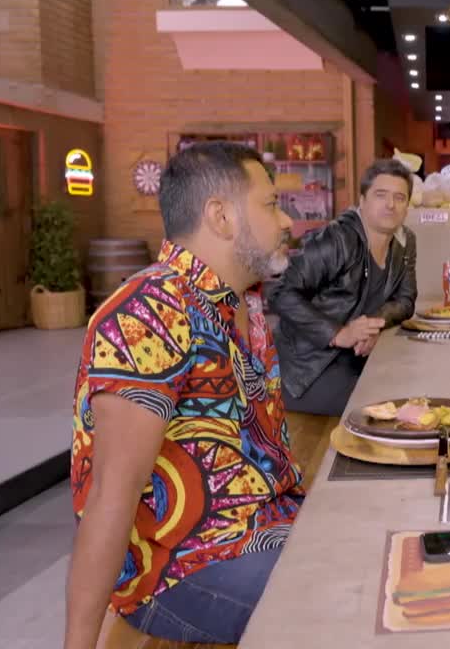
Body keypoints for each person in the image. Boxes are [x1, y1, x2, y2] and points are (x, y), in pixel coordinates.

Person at [66, 142, 303, 647]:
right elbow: (112, 493)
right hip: (183, 570)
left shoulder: (243, 303)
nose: (287, 221)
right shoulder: (148, 312)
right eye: (270, 204)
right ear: (221, 216)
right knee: (351, 593)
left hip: (267, 526)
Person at [270, 159, 418, 414]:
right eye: (381, 195)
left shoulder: (405, 242)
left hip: (355, 360)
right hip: (308, 369)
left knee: (411, 388)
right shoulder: (337, 239)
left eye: (399, 197)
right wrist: (338, 333)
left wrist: (371, 326)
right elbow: (281, 292)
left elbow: (405, 300)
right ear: (362, 200)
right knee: (385, 412)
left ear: (406, 207)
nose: (390, 204)